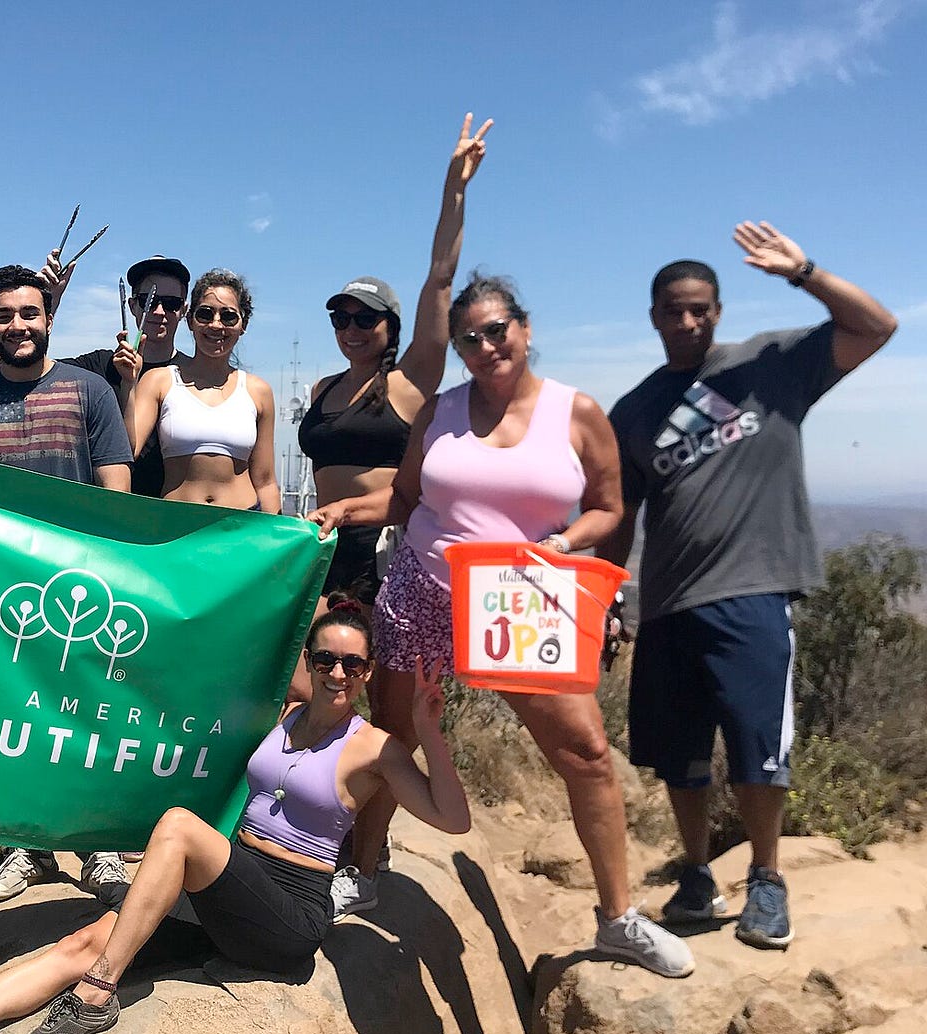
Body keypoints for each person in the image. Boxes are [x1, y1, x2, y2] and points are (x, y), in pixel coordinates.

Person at [0, 602, 469, 1034]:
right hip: (231, 887)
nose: (336, 673)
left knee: (178, 826)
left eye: (351, 664)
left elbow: (452, 818)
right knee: (80, 941)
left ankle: (98, 994)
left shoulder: (375, 748)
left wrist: (426, 730)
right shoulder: (284, 716)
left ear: (366, 673)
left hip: (289, 914)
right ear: (308, 659)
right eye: (324, 659)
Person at [309, 273, 696, 978]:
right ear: (458, 346)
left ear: (524, 328)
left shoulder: (575, 413)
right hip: (424, 587)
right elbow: (403, 499)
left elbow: (610, 509)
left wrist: (567, 543)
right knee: (392, 738)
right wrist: (344, 513)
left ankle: (617, 917)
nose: (486, 345)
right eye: (470, 336)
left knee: (583, 751)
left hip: (519, 597)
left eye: (498, 330)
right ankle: (364, 872)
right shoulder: (441, 411)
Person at [598, 224, 896, 950]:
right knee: (680, 755)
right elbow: (619, 514)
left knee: (760, 746)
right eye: (674, 309)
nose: (688, 321)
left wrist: (805, 271)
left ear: (718, 311)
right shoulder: (634, 410)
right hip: (668, 602)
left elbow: (877, 325)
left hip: (755, 593)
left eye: (700, 308)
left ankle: (766, 878)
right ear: (654, 317)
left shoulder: (773, 364)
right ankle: (697, 876)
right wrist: (609, 595)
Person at [0, 263, 134, 905]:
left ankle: (99, 844)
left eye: (28, 314)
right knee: (17, 719)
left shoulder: (90, 391)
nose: (17, 326)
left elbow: (117, 491)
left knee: (81, 717)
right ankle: (30, 847)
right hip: (2, 587)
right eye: (3, 316)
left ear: (48, 317)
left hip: (77, 584)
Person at [291, 113, 491, 699]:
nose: (350, 328)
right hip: (321, 548)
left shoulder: (409, 381)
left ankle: (393, 788)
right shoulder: (323, 389)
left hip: (383, 550)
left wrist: (453, 190)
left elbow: (441, 276)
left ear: (391, 327)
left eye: (365, 318)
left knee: (389, 699)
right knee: (307, 689)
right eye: (340, 317)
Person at [123, 269, 280, 511]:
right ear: (190, 321)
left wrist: (276, 540)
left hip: (241, 526)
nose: (216, 325)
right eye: (205, 314)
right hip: (177, 525)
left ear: (243, 324)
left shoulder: (258, 391)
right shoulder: (159, 381)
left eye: (228, 317)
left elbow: (266, 481)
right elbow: (127, 451)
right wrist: (128, 384)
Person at [62, 255, 194, 497]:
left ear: (184, 310)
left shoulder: (194, 376)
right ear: (133, 306)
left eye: (171, 303)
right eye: (148, 301)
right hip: (110, 512)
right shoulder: (100, 366)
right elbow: (34, 365)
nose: (159, 311)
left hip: (171, 515)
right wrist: (50, 300)